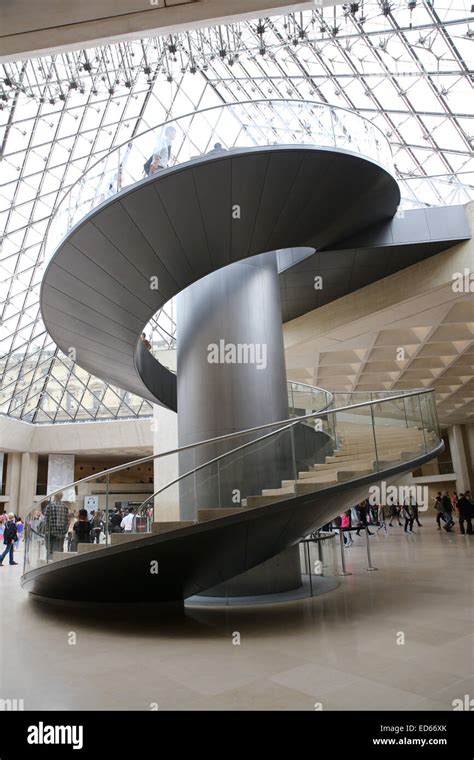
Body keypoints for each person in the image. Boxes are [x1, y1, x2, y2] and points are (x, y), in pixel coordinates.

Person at [44, 492, 69, 559]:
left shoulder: (49, 506)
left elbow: (46, 520)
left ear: (55, 496)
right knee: (59, 553)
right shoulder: (65, 507)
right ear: (61, 497)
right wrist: (64, 532)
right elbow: (67, 521)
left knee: (49, 552)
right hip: (61, 534)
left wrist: (47, 530)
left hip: (50, 534)